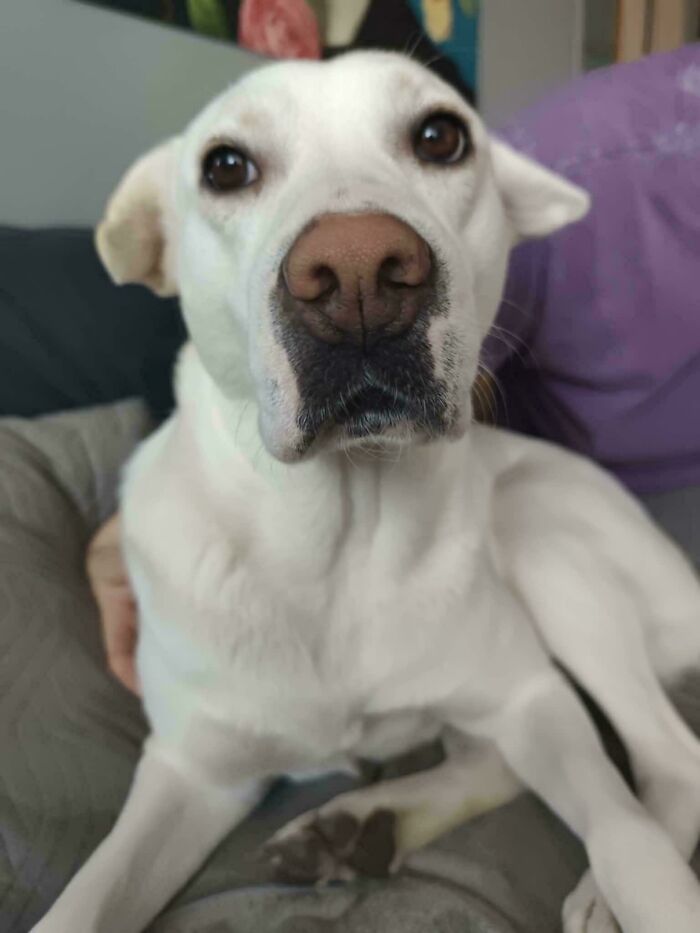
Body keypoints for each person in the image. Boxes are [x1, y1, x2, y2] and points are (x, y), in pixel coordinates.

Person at [5, 46, 700, 694]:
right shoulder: (623, 161)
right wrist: (162, 501)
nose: (357, 259)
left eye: (433, 143)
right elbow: (218, 326)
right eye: (233, 168)